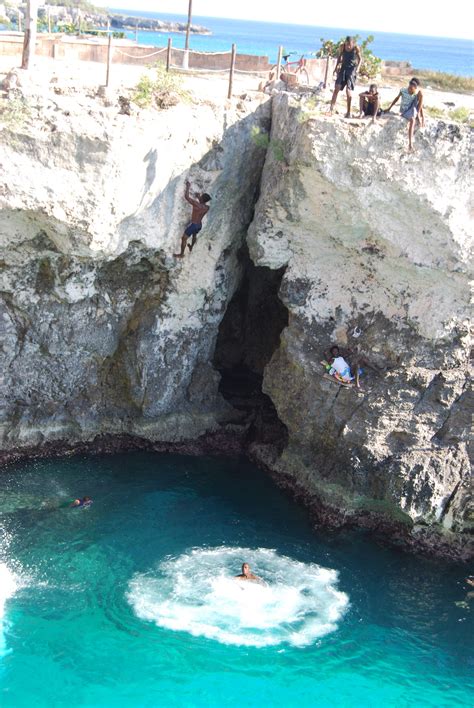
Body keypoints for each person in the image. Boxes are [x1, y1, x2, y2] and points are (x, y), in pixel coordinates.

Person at [384, 77, 425, 152]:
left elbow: (420, 105)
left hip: (412, 108)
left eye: (412, 90)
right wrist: (389, 108)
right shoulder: (403, 91)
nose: (410, 91)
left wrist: (423, 118)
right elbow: (396, 98)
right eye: (409, 88)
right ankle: (410, 144)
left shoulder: (415, 94)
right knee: (412, 120)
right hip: (404, 111)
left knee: (421, 93)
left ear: (415, 89)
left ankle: (417, 115)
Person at [173, 180, 211, 258]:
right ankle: (191, 247)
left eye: (201, 196)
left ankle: (181, 254)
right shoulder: (207, 207)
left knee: (184, 238)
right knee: (194, 235)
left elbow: (187, 197)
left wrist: (188, 187)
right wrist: (199, 197)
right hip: (199, 225)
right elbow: (202, 202)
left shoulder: (196, 204)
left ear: (202, 199)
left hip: (193, 225)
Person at [329, 36, 362, 117]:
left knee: (348, 91)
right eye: (347, 44)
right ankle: (331, 109)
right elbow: (339, 57)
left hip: (351, 70)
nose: (348, 46)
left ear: (353, 43)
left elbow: (360, 59)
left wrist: (357, 68)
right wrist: (336, 67)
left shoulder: (355, 49)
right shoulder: (342, 47)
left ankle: (348, 112)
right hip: (343, 69)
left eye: (350, 44)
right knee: (336, 88)